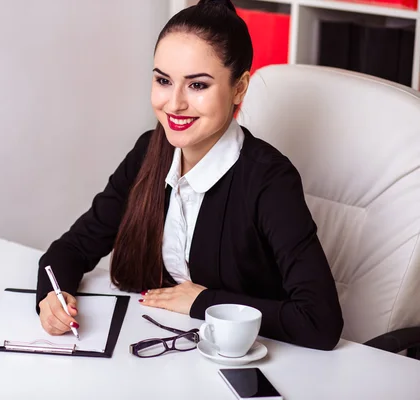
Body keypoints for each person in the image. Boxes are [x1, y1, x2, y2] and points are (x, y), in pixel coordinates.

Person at [35, 0, 344, 351]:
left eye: (197, 86)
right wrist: (52, 295)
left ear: (240, 88)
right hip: (162, 347)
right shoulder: (149, 152)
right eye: (164, 81)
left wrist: (202, 302)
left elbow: (320, 322)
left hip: (245, 361)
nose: (174, 103)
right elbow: (73, 248)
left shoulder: (269, 180)